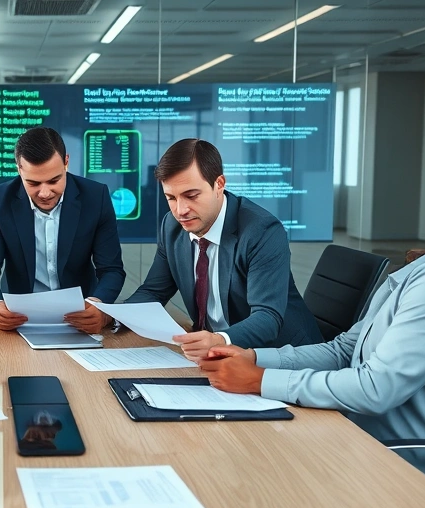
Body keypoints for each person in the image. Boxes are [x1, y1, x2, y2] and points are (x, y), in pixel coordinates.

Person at [199, 245, 425, 502]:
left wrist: (258, 379)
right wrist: (253, 357)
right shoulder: (407, 279)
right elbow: (343, 351)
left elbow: (376, 389)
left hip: (411, 478)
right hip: (358, 444)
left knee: (249, 489)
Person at [124, 138, 321, 360]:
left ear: (219, 184)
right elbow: (153, 291)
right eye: (171, 198)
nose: (180, 210)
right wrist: (110, 317)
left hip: (281, 357)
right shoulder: (171, 226)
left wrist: (219, 340)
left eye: (191, 195)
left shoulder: (262, 230)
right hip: (215, 357)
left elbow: (267, 318)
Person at [0, 127, 125, 333]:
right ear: (19, 169)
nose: (44, 193)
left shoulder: (95, 197)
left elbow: (112, 270)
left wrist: (98, 304)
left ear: (66, 162)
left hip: (80, 318)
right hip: (18, 320)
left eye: (54, 180)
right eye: (33, 183)